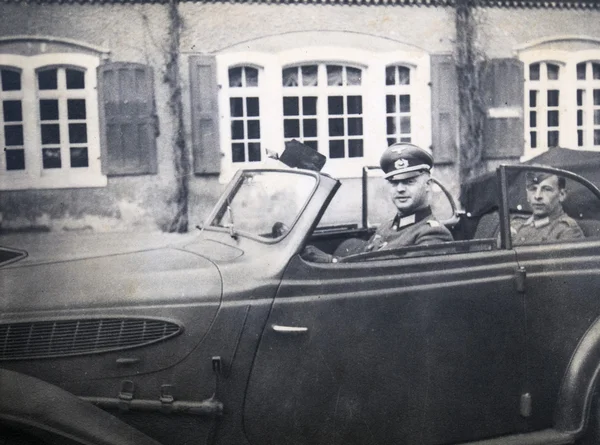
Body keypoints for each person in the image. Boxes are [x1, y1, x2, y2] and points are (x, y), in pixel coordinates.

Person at [301, 143, 453, 263]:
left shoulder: (433, 234)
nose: (400, 189)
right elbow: (364, 260)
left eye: (409, 182)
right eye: (394, 183)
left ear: (427, 185)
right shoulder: (386, 227)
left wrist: (333, 262)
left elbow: (393, 278)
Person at [511, 171, 584, 245]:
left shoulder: (567, 230)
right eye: (533, 189)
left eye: (546, 189)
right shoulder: (516, 223)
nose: (537, 196)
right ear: (527, 195)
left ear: (561, 195)